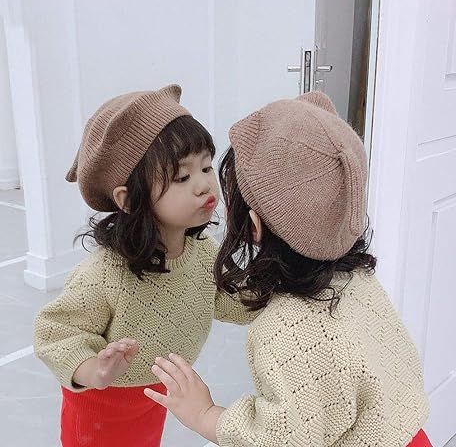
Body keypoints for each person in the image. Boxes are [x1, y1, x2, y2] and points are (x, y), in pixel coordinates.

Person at [145, 91, 431, 447]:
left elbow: (284, 438)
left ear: (254, 225)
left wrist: (204, 414)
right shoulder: (358, 280)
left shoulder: (283, 329)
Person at [34, 84, 256, 447]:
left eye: (205, 166)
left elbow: (229, 298)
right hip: (100, 406)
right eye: (182, 177)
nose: (204, 184)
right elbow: (55, 333)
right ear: (128, 199)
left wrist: (283, 285)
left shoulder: (202, 252)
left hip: (156, 392)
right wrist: (95, 370)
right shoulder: (104, 274)